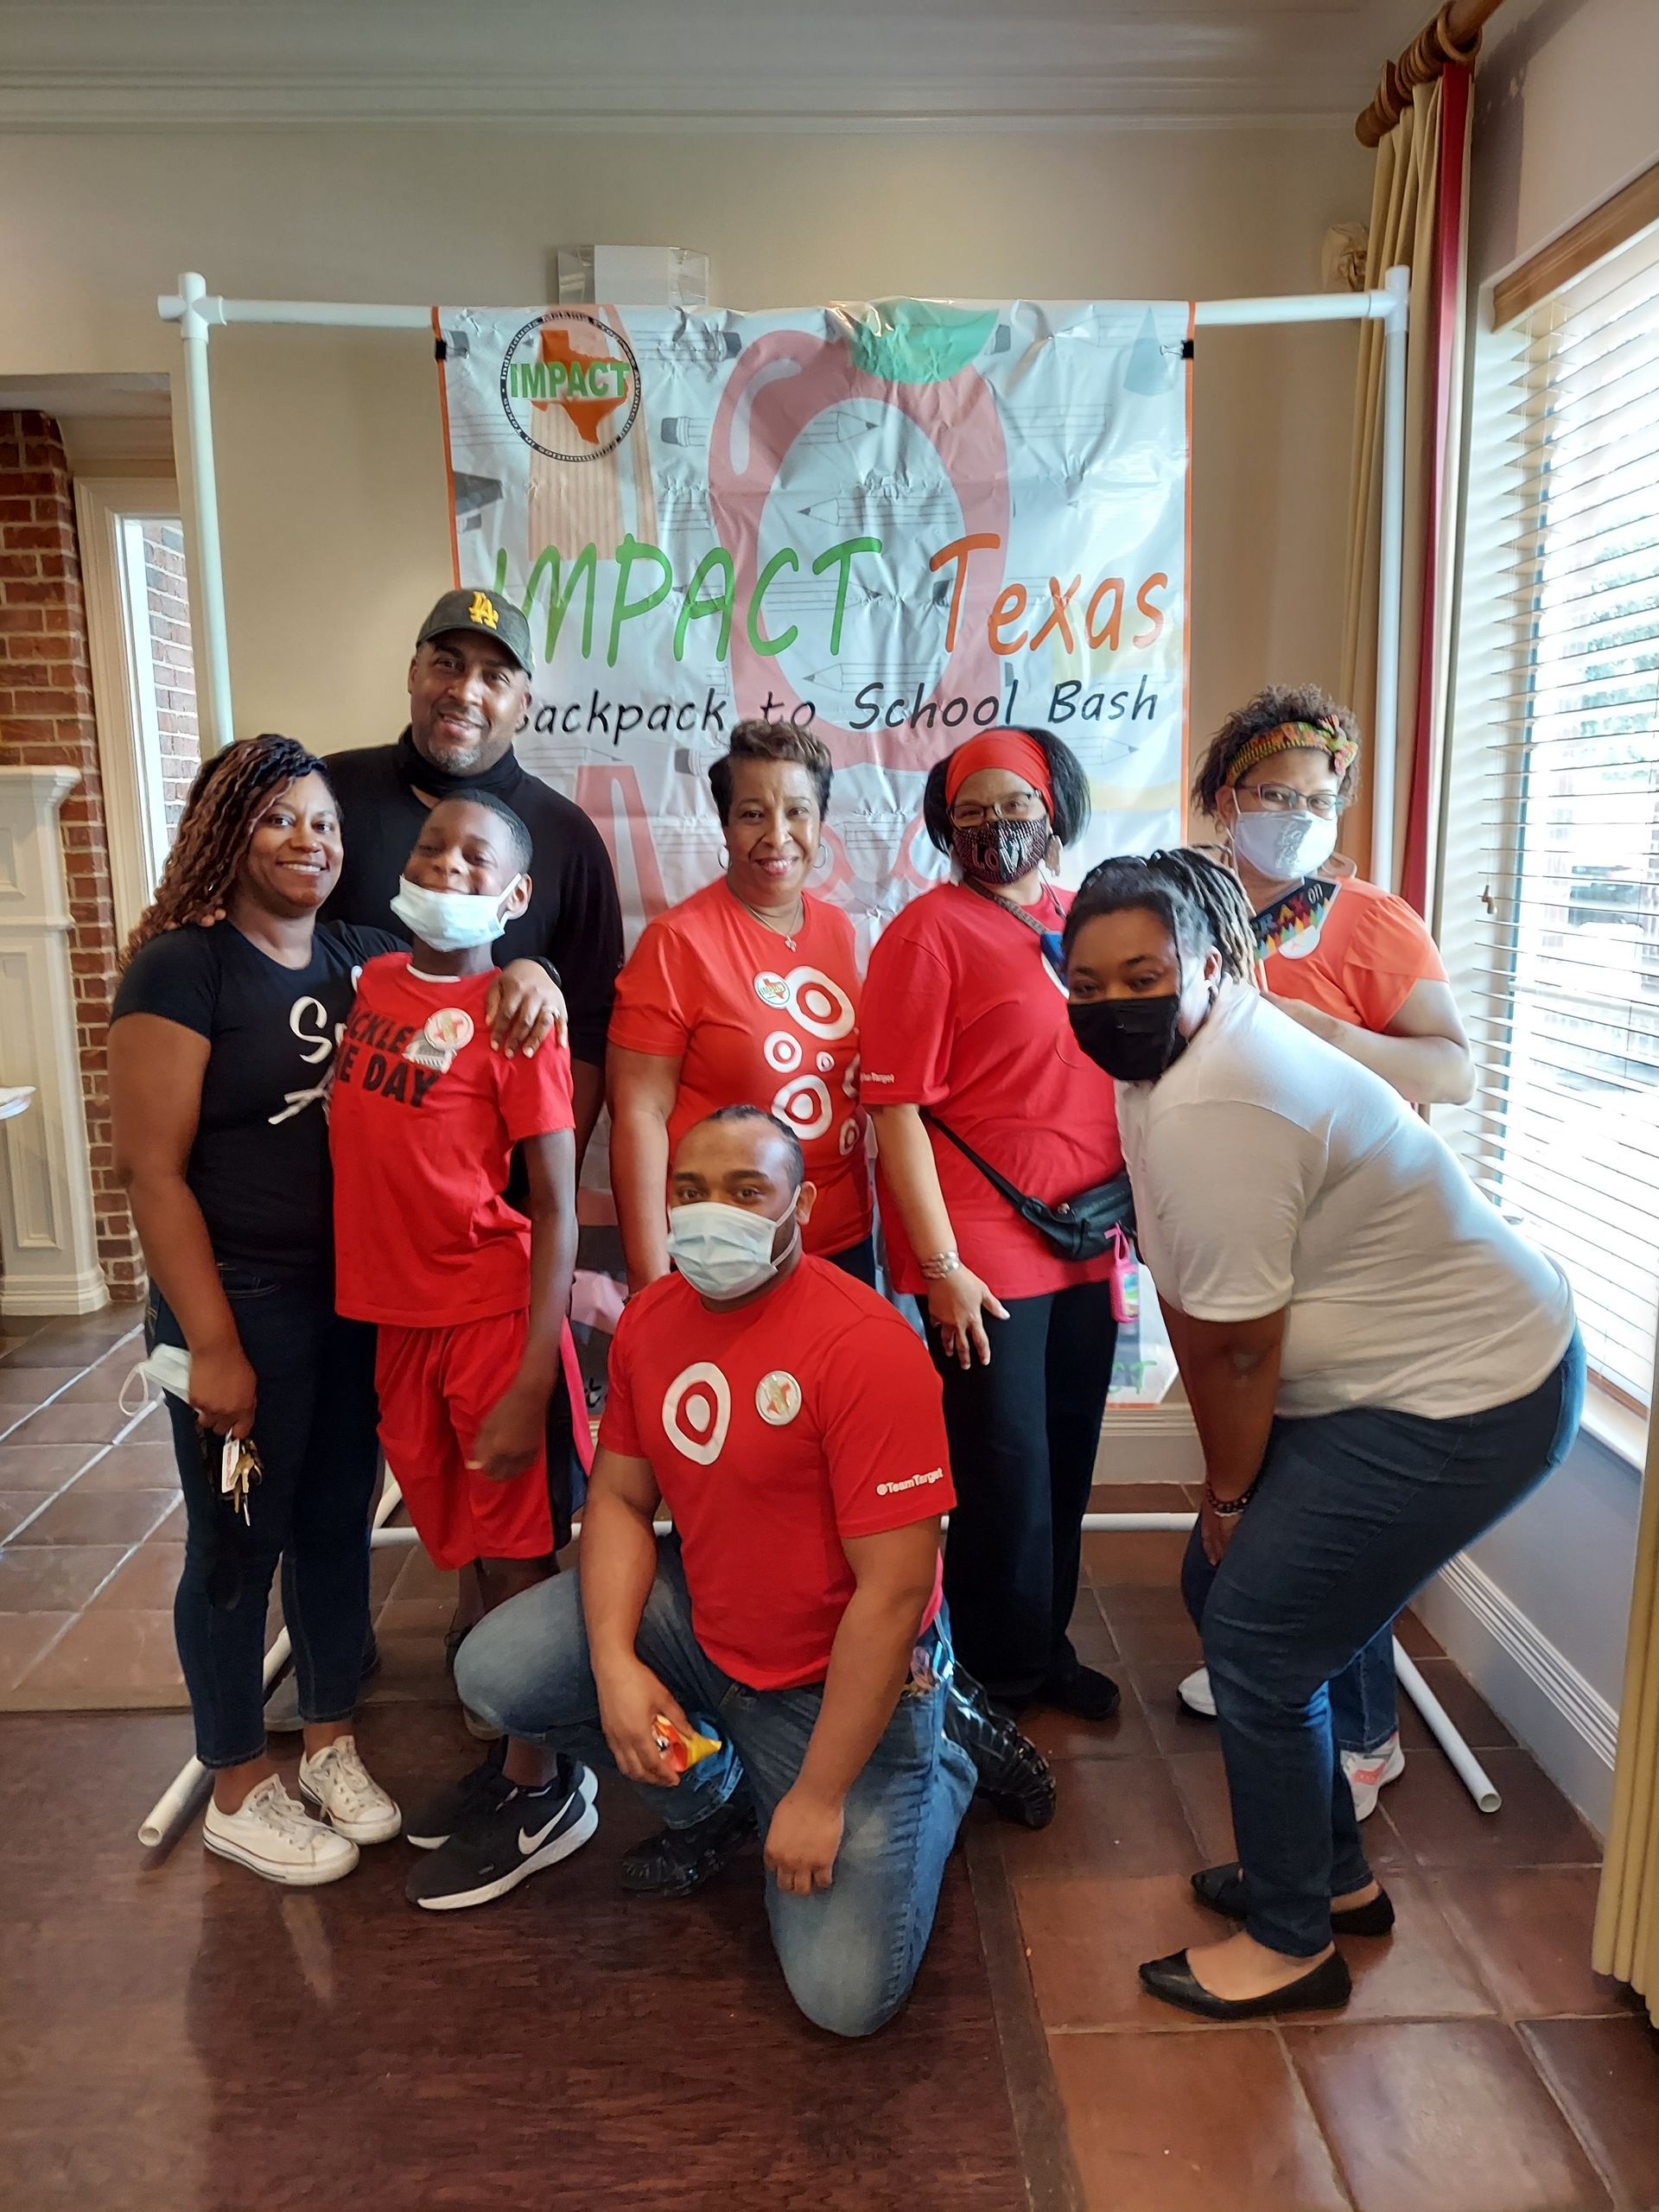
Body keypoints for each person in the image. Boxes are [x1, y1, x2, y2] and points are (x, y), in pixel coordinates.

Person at [1062, 849, 1580, 2019]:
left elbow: (1234, 1349)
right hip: (1400, 1385)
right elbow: (1202, 1312)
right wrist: (1229, 1503)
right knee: (1243, 1601)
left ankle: (1293, 1940)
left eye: (1141, 975)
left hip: (1468, 1396)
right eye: (1084, 987)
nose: (1111, 1006)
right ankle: (1329, 1877)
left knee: (1255, 1634)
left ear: (1206, 962)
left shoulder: (1223, 1096)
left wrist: (1231, 1495)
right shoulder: (1178, 1057)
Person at [454, 1106, 1055, 2031]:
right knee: (496, 1671)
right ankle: (719, 1791)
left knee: (844, 2000)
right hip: (707, 1618)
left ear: (801, 1204)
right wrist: (617, 1665)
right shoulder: (654, 1319)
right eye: (689, 1191)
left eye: (746, 1191)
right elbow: (617, 1499)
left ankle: (943, 1761)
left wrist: (818, 1797)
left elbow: (894, 1592)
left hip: (848, 1679)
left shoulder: (865, 1345)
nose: (709, 1214)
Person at [108, 735, 563, 1887]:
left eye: (323, 823)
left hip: (353, 1309)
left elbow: (477, 977)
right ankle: (234, 1781)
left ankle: (323, 1740)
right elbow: (150, 1172)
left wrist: (534, 973)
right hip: (234, 1310)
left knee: (329, 1528)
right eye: (277, 820)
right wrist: (209, 1342)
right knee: (231, 1540)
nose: (308, 840)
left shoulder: (362, 961)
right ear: (225, 834)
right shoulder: (182, 969)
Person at [312, 584, 621, 1702]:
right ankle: (358, 1667)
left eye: (494, 673)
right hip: (350, 1256)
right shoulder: (332, 796)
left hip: (483, 1265)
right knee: (382, 1474)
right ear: (413, 672)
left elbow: (580, 1018)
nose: (466, 689)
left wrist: (526, 1160)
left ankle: (531, 1717)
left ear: (524, 698)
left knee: (507, 1492)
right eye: (448, 662)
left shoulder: (567, 836)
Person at [1178, 684, 1478, 1817]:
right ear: (1223, 797)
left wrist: (1324, 1031)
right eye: (1270, 793)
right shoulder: (1191, 909)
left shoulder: (1371, 921)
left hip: (1350, 1246)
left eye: (1318, 798)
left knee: (1327, 1508)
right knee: (1255, 1481)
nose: (1295, 815)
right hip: (1234, 1230)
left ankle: (1361, 1736)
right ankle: (1275, 1670)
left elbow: (1450, 1068)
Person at [327, 791, 594, 1911]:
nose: (443, 862)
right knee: (468, 1544)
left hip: (491, 1320)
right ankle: (513, 1758)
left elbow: (557, 1204)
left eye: (474, 853)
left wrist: (535, 1368)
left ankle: (548, 1784)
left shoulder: (519, 1014)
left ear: (516, 893)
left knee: (519, 1545)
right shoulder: (373, 984)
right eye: (432, 844)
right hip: (398, 1323)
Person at [860, 728, 1124, 1719]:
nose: (994, 825)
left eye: (1014, 804)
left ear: (1055, 809)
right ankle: (993, 1679)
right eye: (971, 810)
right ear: (943, 824)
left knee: (1065, 1452)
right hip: (982, 1253)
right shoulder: (925, 935)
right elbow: (896, 1111)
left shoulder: (1089, 920)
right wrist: (939, 1266)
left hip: (1090, 1243)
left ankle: (1042, 1645)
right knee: (1002, 1476)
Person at [607, 717, 872, 1289]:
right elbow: (639, 1117)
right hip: (723, 1252)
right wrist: (650, 1278)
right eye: (753, 814)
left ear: (821, 822)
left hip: (842, 1241)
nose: (777, 836)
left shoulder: (838, 931)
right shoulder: (676, 943)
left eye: (797, 811)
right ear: (724, 827)